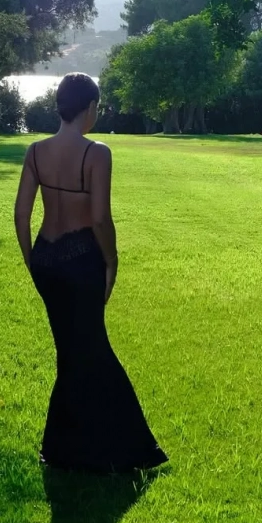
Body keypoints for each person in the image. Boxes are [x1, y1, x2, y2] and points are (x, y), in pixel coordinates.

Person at [14, 72, 168, 473]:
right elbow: (99, 218)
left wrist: (32, 260)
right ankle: (129, 451)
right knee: (94, 351)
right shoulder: (97, 152)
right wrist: (112, 260)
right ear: (90, 108)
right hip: (83, 260)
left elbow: (21, 214)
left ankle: (65, 449)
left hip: (46, 258)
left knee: (72, 352)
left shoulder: (35, 151)